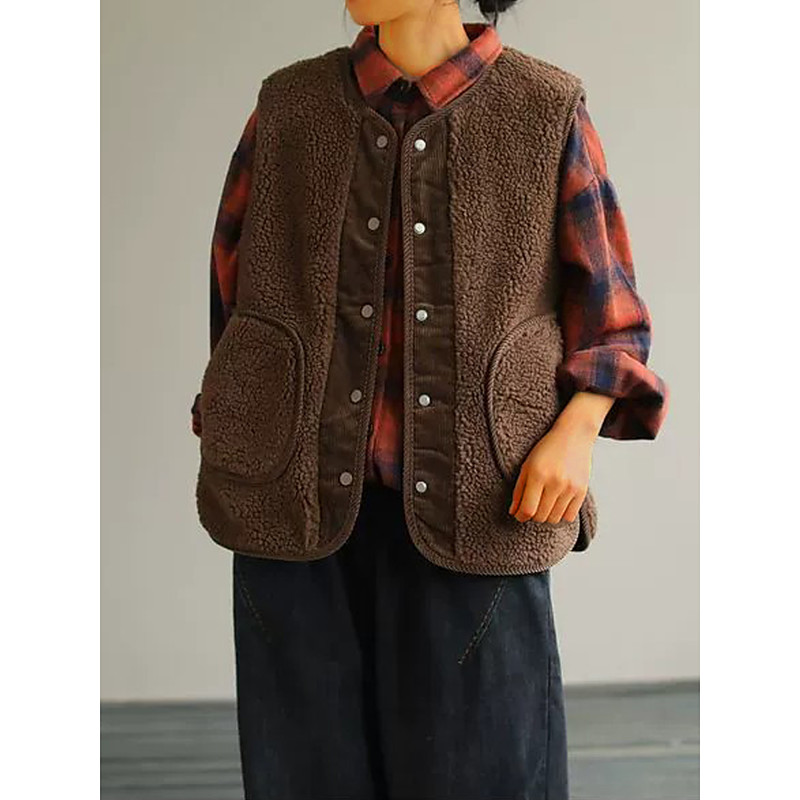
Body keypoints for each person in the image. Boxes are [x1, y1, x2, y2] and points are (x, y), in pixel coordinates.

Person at [190, 1, 669, 798]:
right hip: (294, 509)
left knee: (483, 776)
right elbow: (235, 293)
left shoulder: (544, 107)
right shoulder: (288, 105)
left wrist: (577, 430)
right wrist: (242, 420)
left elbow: (611, 311)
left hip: (482, 504)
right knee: (305, 778)